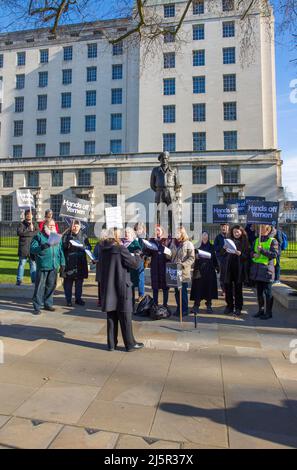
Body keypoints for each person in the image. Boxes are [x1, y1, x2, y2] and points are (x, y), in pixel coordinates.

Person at [99, 228, 144, 352]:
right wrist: (138, 255)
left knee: (111, 316)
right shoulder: (120, 249)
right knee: (125, 316)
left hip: (109, 287)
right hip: (122, 286)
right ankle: (130, 344)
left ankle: (111, 344)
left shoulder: (103, 249)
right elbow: (134, 264)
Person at [30, 219, 65, 315]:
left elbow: (61, 251)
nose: (52, 226)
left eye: (53, 225)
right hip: (43, 265)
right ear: (45, 226)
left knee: (51, 286)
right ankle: (37, 306)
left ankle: (48, 304)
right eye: (50, 225)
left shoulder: (57, 237)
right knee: (40, 287)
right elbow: (32, 249)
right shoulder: (38, 236)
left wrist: (62, 264)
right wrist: (42, 247)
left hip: (54, 265)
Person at [220, 225, 250, 316]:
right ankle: (229, 306)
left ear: (241, 232)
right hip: (228, 268)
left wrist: (240, 254)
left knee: (238, 289)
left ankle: (238, 307)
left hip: (239, 269)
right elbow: (222, 254)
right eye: (234, 232)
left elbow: (247, 256)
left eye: (238, 232)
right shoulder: (229, 241)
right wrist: (224, 249)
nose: (236, 234)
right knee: (228, 288)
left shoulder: (245, 242)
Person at [250, 225, 278, 320]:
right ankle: (261, 310)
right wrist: (254, 254)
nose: (260, 230)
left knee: (268, 293)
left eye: (262, 228)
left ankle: (268, 312)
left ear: (267, 230)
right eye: (259, 228)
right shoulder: (257, 240)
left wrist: (262, 251)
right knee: (259, 293)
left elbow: (274, 254)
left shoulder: (272, 241)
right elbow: (251, 252)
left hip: (267, 270)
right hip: (257, 270)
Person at [61, 220, 91, 307]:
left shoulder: (84, 236)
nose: (75, 227)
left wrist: (83, 247)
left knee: (79, 283)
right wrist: (68, 243)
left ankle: (78, 299)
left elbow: (88, 247)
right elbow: (62, 247)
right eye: (74, 226)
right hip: (69, 262)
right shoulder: (67, 235)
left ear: (79, 227)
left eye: (77, 226)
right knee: (68, 283)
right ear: (71, 226)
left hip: (80, 263)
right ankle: (68, 300)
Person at [190, 232, 219, 314]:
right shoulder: (197, 246)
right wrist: (196, 256)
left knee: (209, 288)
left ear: (208, 236)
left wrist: (217, 267)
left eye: (206, 234)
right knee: (197, 288)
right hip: (198, 270)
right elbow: (192, 257)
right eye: (203, 235)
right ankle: (196, 305)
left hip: (209, 270)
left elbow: (214, 258)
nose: (204, 236)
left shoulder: (212, 247)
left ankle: (209, 305)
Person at [169, 226, 195, 316]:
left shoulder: (188, 244)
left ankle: (184, 309)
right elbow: (170, 256)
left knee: (182, 291)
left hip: (183, 272)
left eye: (178, 233)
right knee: (176, 292)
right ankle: (178, 308)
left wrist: (183, 264)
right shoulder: (172, 243)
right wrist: (167, 254)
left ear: (182, 233)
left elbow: (192, 258)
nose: (176, 234)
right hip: (174, 270)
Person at [143, 225, 170, 309]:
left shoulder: (166, 240)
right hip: (155, 266)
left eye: (158, 230)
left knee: (165, 287)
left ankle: (165, 304)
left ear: (162, 231)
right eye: (156, 231)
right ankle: (155, 303)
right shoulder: (152, 240)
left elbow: (170, 252)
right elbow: (148, 253)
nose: (157, 232)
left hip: (164, 266)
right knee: (155, 287)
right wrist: (147, 248)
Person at [16, 209, 39, 285]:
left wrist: (30, 231)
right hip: (24, 248)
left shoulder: (35, 224)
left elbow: (37, 233)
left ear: (32, 215)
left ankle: (34, 281)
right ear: (25, 215)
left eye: (30, 214)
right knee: (22, 264)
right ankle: (19, 280)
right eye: (28, 214)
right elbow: (19, 233)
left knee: (33, 265)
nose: (29, 215)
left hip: (32, 248)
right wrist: (29, 230)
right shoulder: (21, 224)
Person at [122, 227, 142, 309]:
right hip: (123, 268)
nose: (126, 234)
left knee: (131, 288)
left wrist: (134, 253)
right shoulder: (122, 243)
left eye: (128, 233)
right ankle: (124, 305)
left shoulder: (135, 243)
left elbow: (139, 252)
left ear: (132, 234)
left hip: (131, 270)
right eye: (125, 233)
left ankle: (132, 306)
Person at [93, 229, 108, 308]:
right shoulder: (98, 245)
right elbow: (94, 254)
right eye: (103, 236)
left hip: (108, 268)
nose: (104, 238)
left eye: (106, 236)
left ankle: (106, 300)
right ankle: (100, 300)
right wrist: (94, 259)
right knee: (100, 285)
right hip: (100, 267)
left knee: (107, 285)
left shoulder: (110, 245)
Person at [214, 223, 230, 294]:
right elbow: (215, 247)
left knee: (229, 274)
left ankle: (229, 290)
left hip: (230, 258)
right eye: (222, 227)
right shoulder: (218, 237)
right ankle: (223, 290)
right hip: (221, 259)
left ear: (228, 228)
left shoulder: (230, 236)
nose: (223, 228)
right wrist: (222, 248)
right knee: (222, 275)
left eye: (225, 227)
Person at [134, 222, 147, 301]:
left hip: (140, 259)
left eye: (139, 229)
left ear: (143, 229)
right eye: (136, 229)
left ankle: (141, 294)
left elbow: (145, 248)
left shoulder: (144, 237)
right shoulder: (134, 237)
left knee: (140, 277)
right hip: (133, 259)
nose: (137, 231)